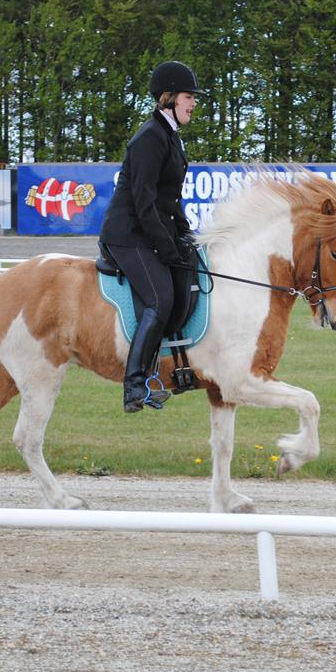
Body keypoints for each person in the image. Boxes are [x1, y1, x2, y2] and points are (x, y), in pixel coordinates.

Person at [99, 60, 204, 413]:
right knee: (159, 300)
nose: (194, 103)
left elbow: (167, 199)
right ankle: (134, 386)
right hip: (128, 234)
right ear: (169, 97)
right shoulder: (150, 138)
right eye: (189, 97)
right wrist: (166, 245)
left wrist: (186, 234)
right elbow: (144, 204)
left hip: (148, 229)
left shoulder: (169, 135)